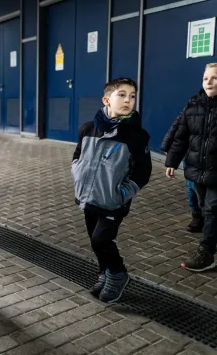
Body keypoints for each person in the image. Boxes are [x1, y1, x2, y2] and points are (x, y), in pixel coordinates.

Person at [71, 78, 152, 303]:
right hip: (89, 198)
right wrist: (78, 174)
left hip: (113, 202)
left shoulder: (137, 136)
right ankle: (103, 273)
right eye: (122, 95)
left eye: (132, 96)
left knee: (101, 240)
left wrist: (122, 194)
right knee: (94, 240)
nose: (128, 100)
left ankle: (117, 274)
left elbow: (143, 172)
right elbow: (77, 156)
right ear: (107, 100)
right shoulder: (88, 129)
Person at [166, 63, 217, 272]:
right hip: (197, 170)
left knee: (213, 209)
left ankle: (206, 252)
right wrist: (172, 161)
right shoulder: (193, 104)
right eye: (206, 78)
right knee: (207, 210)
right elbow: (181, 137)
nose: (209, 82)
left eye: (214, 78)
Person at [162, 105, 204, 232]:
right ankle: (197, 216)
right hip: (192, 153)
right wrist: (168, 149)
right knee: (191, 188)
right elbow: (178, 125)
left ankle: (208, 218)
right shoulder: (195, 102)